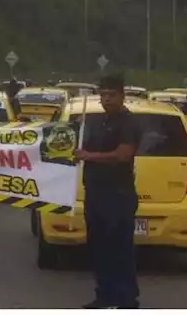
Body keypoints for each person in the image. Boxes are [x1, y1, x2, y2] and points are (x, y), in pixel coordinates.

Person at [74, 73, 141, 309]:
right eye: (103, 95)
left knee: (119, 249)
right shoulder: (97, 122)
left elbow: (123, 154)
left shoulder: (129, 123)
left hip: (118, 195)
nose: (106, 99)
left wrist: (89, 156)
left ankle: (126, 300)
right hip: (95, 193)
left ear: (122, 95)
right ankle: (104, 295)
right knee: (98, 247)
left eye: (111, 95)